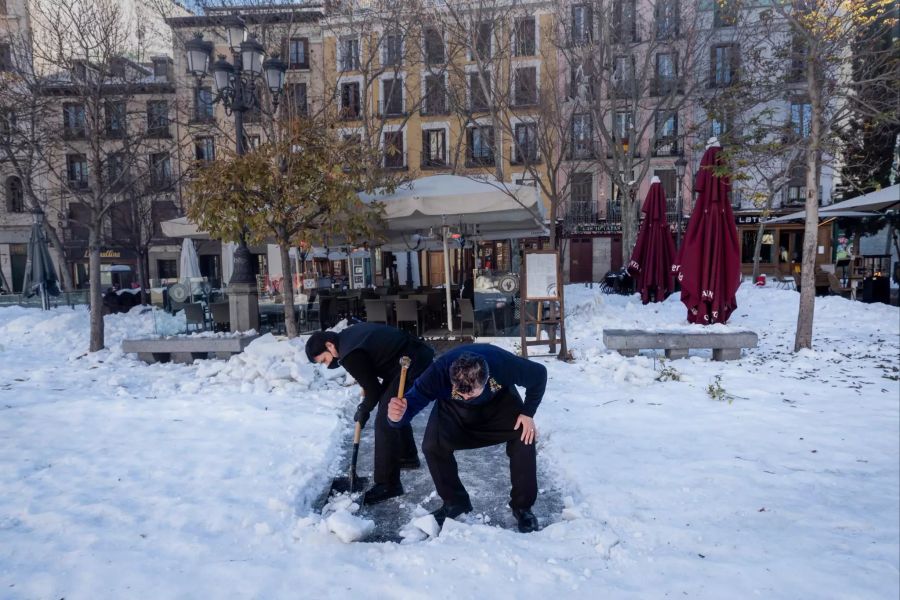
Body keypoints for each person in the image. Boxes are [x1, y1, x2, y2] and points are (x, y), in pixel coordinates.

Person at [387, 345, 547, 533]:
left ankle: (523, 507)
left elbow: (539, 375)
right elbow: (411, 403)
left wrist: (528, 413)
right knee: (432, 445)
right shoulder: (437, 373)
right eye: (459, 391)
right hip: (453, 412)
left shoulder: (502, 363)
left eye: (470, 393)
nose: (465, 396)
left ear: (486, 378)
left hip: (499, 406)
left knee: (524, 436)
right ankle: (455, 502)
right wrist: (396, 418)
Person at [305, 323, 434, 505]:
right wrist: (366, 404)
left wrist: (364, 409)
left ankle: (388, 484)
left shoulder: (349, 353)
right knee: (389, 406)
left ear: (329, 346)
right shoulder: (346, 339)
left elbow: (372, 389)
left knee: (384, 420)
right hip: (407, 358)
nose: (327, 365)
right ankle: (407, 456)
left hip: (410, 362)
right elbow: (372, 385)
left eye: (324, 360)